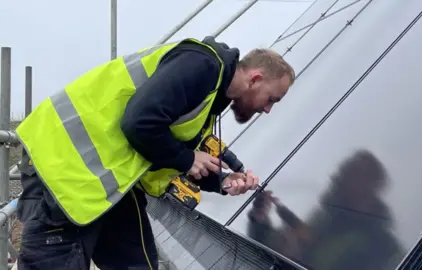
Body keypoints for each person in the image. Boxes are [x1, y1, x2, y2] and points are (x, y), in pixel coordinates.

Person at [14, 36, 295, 269]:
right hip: (65, 171)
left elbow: (169, 153)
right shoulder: (203, 65)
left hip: (108, 184)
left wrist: (221, 181)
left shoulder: (211, 96)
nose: (268, 110)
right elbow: (140, 123)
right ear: (255, 79)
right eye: (271, 99)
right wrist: (187, 159)